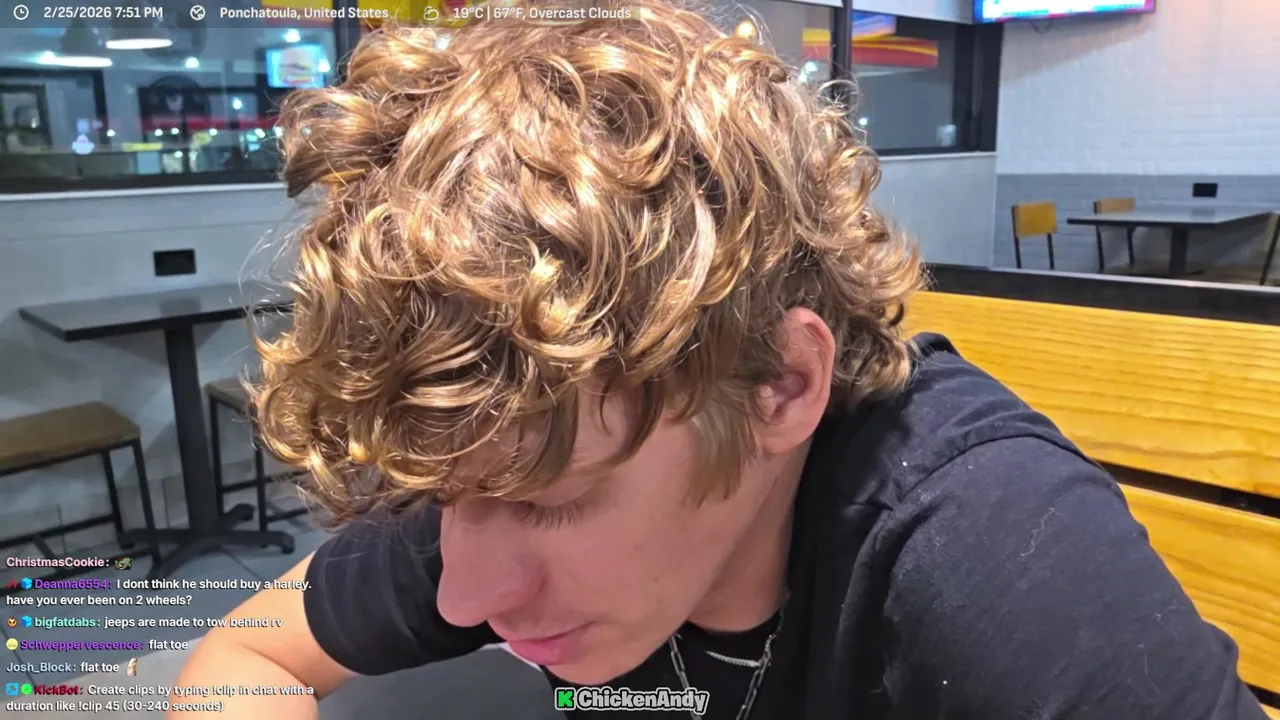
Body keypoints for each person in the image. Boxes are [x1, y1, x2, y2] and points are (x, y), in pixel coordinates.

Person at [169, 1, 1270, 718]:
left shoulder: (984, 542)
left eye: (552, 502)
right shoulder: (501, 451)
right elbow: (243, 658)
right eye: (445, 499)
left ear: (782, 385)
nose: (464, 593)